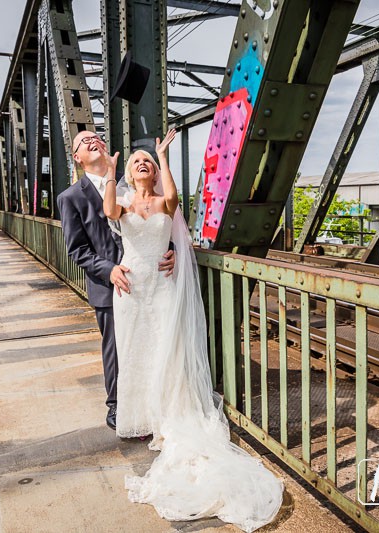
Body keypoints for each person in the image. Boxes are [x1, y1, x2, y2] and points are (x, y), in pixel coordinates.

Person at [102, 130, 284, 532]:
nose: (143, 164)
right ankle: (145, 416)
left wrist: (164, 157)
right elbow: (110, 211)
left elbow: (174, 201)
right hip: (132, 288)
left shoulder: (165, 200)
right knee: (139, 350)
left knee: (171, 349)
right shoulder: (124, 201)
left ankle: (171, 418)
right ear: (130, 175)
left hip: (163, 283)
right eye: (138, 162)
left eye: (146, 161)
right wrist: (112, 173)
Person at [57, 130, 175, 431]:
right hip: (110, 283)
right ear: (76, 157)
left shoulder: (130, 184)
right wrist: (108, 269)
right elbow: (77, 249)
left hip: (149, 280)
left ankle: (156, 403)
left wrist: (170, 251)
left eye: (96, 136)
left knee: (154, 341)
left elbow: (156, 222)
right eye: (84, 141)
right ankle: (118, 406)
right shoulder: (70, 197)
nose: (92, 140)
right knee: (117, 347)